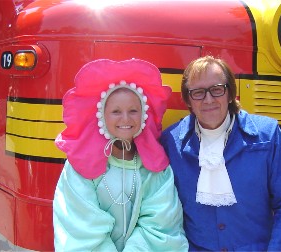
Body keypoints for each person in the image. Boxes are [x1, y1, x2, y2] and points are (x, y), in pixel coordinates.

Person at [160, 56, 281, 251]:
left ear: (230, 93)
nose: (208, 99)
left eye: (217, 89)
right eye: (198, 93)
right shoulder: (171, 141)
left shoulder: (267, 135)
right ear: (188, 100)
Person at [53, 58, 188, 251]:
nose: (126, 119)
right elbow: (80, 227)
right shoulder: (79, 167)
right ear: (101, 116)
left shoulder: (155, 167)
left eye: (133, 110)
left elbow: (161, 224)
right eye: (116, 111)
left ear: (143, 115)